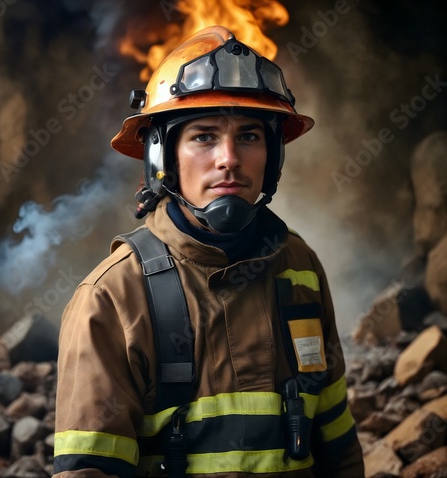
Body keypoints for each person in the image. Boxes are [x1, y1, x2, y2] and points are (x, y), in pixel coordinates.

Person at [53, 25, 365, 478]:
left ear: (273, 156)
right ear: (163, 159)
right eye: (203, 136)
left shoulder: (300, 267)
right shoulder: (113, 297)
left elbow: (336, 441)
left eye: (250, 136)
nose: (229, 158)